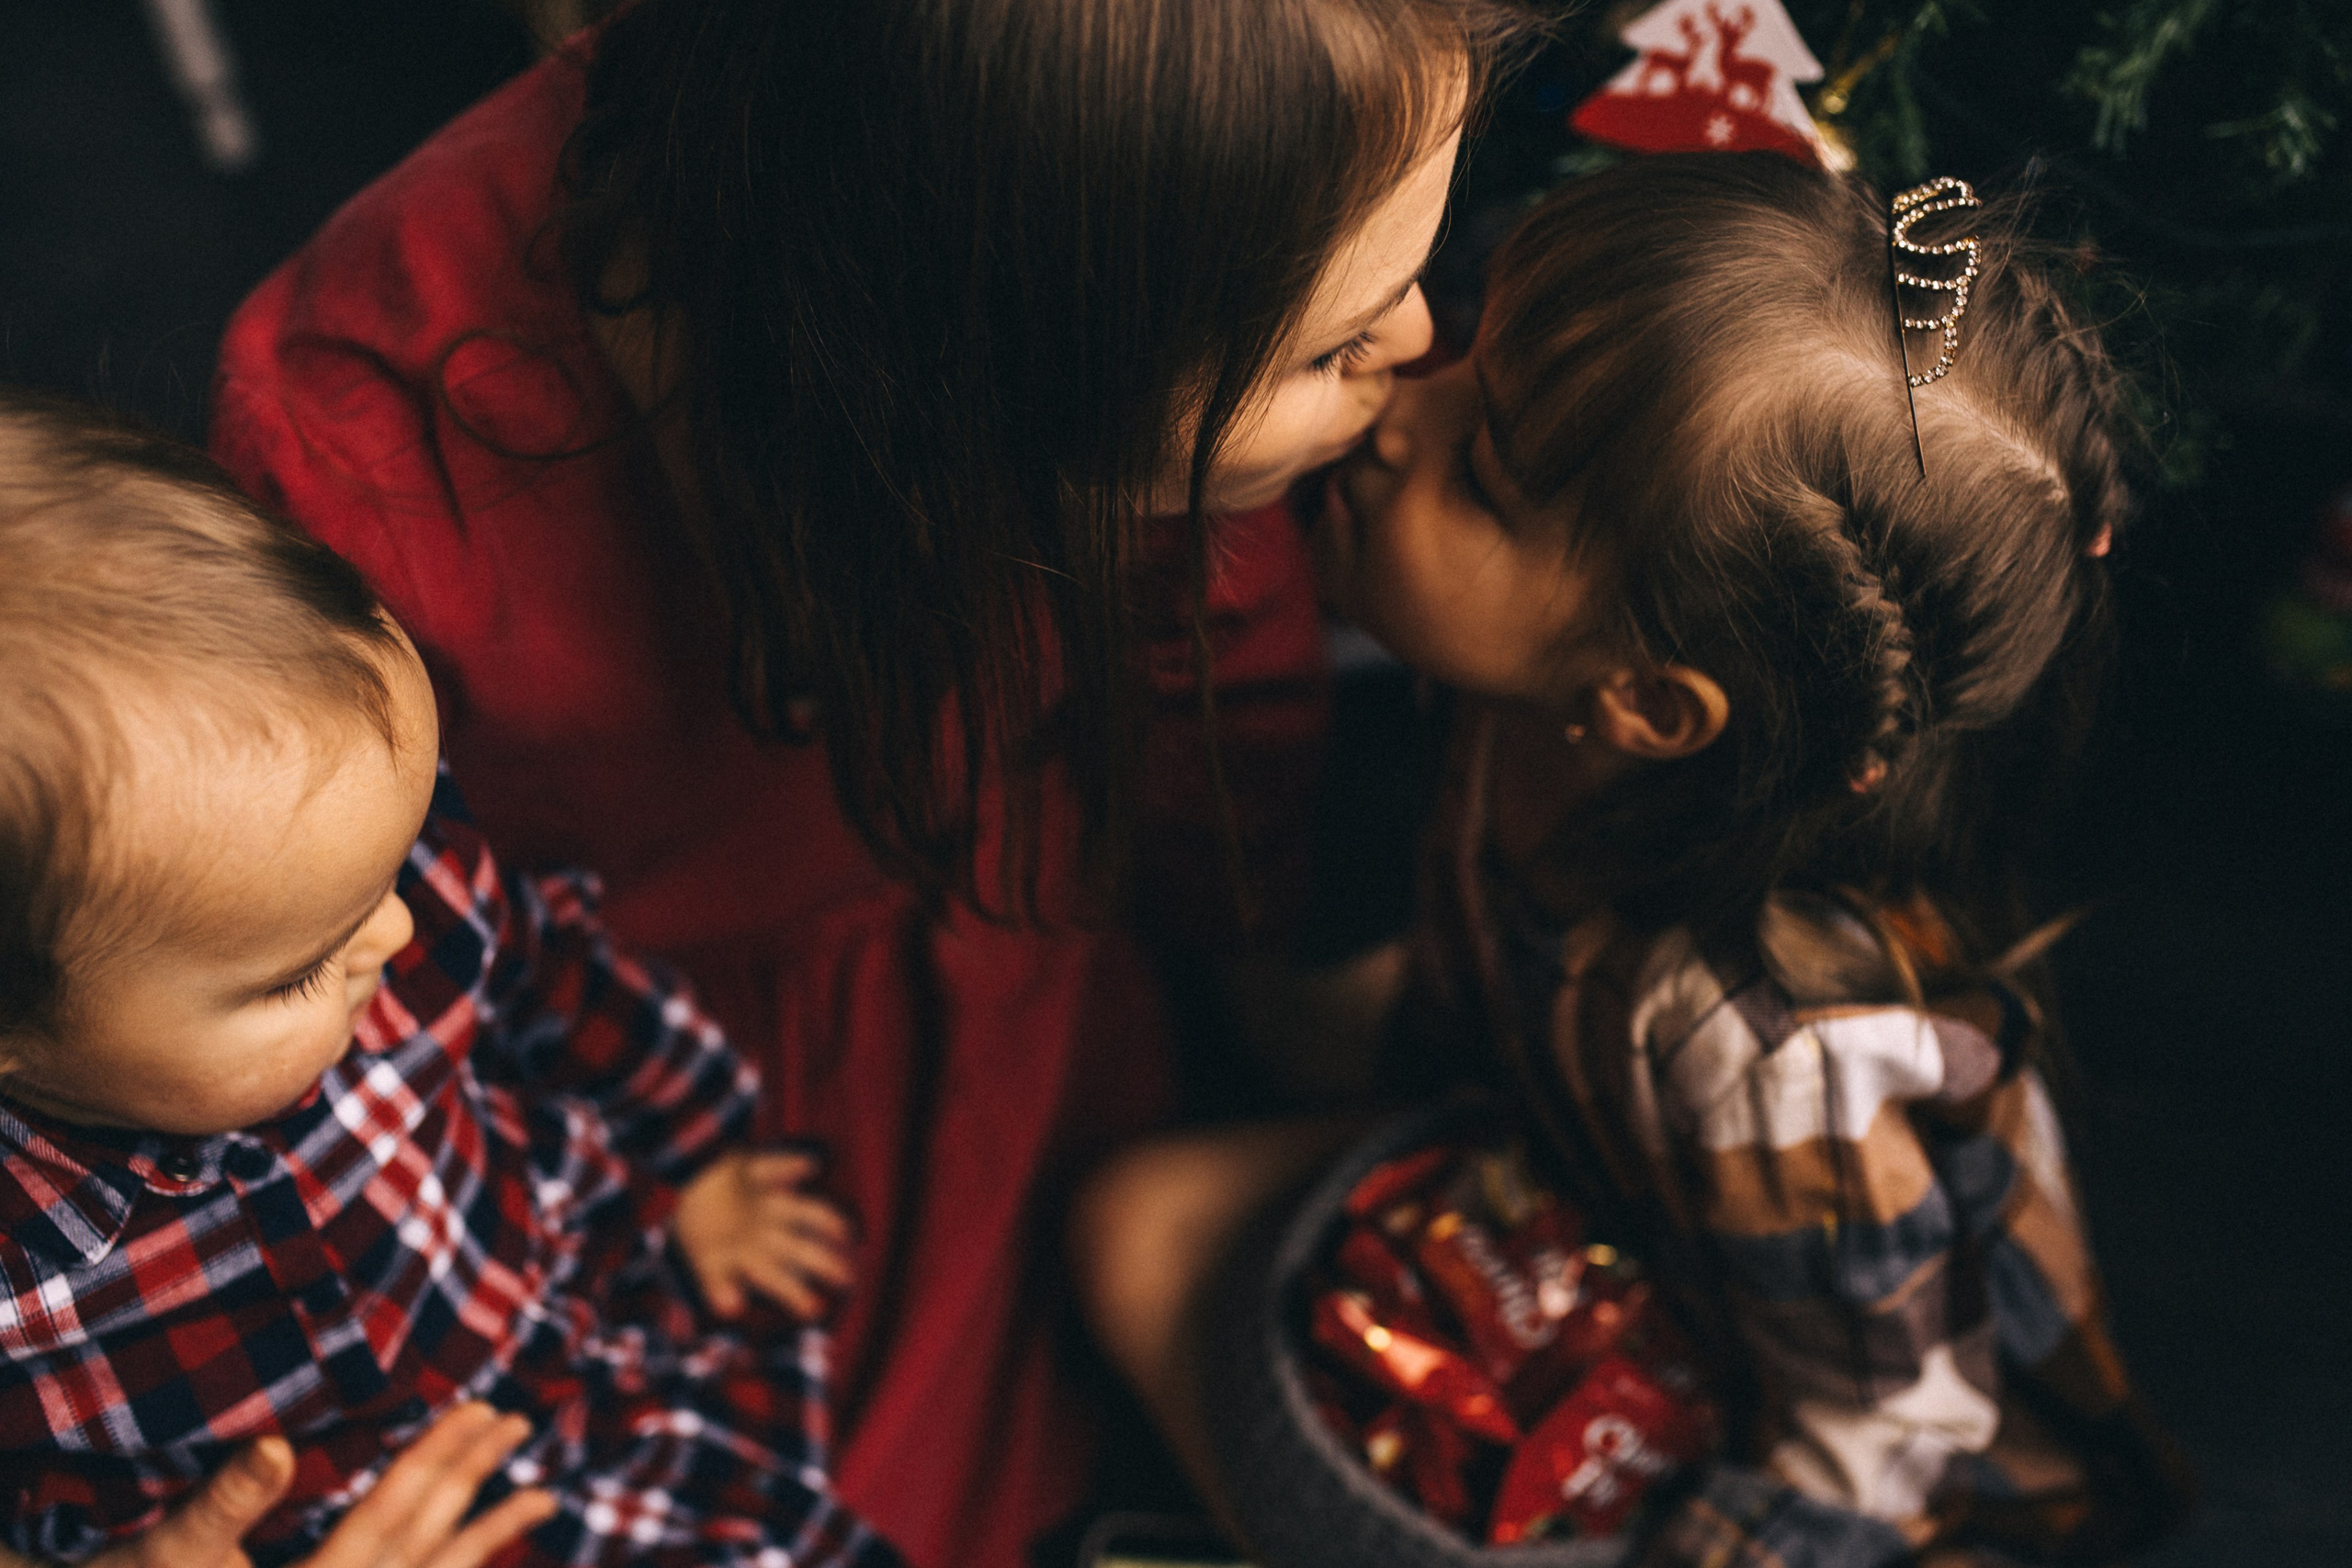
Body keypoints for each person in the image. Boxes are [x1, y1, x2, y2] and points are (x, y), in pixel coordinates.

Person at [206, 3, 1551, 1561]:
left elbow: (1208, 630)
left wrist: (1264, 925)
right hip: (672, 1114)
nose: (1422, 349)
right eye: (1335, 346)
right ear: (984, 397)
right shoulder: (365, 481)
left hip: (1021, 933)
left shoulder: (1121, 262)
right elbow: (354, 1008)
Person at [1075, 154, 2190, 1562]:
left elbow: (1885, 1435)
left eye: (1482, 472)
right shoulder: (1535, 717)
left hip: (1821, 1469)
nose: (1393, 399)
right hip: (1581, 1204)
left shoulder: (1774, 1057)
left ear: (1651, 703)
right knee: (1129, 1225)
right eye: (1470, 343)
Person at [0, 393, 885, 1568]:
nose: (401, 929)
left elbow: (542, 975)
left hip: (557, 1331)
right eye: (299, 970)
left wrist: (683, 1172)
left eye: (400, 861)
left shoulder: (340, 884)